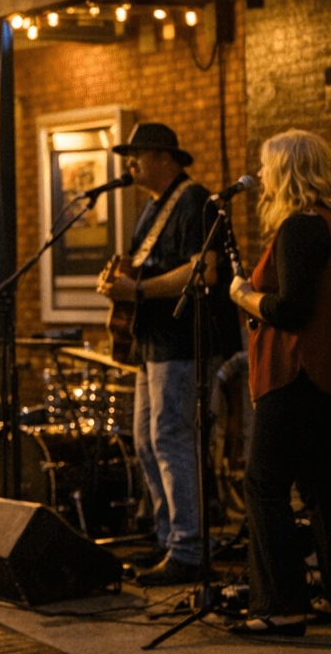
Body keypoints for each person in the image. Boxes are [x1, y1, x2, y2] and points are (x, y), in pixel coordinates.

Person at [228, 129, 331, 636]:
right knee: (319, 486)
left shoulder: (299, 227)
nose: (261, 177)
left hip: (295, 372)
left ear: (287, 171)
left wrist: (245, 295)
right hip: (325, 373)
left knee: (263, 485)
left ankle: (282, 605)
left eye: (267, 167)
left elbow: (292, 310)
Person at [96, 122, 235, 585]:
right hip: (153, 343)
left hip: (182, 343)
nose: (130, 164)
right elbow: (143, 268)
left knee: (172, 438)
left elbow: (206, 270)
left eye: (136, 155)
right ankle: (168, 538)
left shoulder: (193, 201)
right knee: (146, 440)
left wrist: (136, 289)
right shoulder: (153, 209)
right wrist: (118, 278)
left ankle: (190, 547)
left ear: (163, 156)